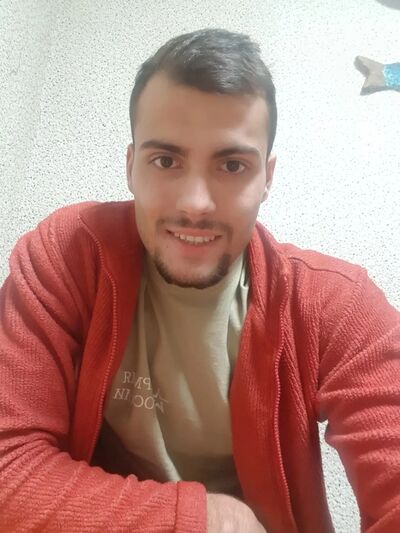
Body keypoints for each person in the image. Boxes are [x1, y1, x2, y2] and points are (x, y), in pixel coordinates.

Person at [0, 28, 399, 533]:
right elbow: (9, 467)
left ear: (267, 178)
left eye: (231, 165)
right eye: (166, 160)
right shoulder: (65, 258)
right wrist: (208, 519)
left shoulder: (336, 306)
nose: (195, 203)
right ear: (131, 167)